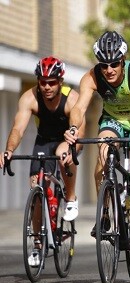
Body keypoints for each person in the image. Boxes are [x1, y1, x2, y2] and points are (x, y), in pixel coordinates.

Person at [64, 31, 130, 257]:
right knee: (103, 158)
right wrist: (74, 129)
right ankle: (104, 214)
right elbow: (79, 108)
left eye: (114, 63)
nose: (109, 70)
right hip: (112, 121)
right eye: (104, 65)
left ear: (122, 60)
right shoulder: (92, 77)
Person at [0, 56, 83, 266]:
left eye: (52, 82)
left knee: (64, 154)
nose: (47, 87)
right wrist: (9, 150)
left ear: (60, 81)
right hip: (44, 141)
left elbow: (78, 122)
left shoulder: (71, 98)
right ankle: (37, 244)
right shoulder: (30, 98)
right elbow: (18, 128)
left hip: (69, 137)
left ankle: (71, 198)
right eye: (43, 81)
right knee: (36, 187)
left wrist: (73, 138)